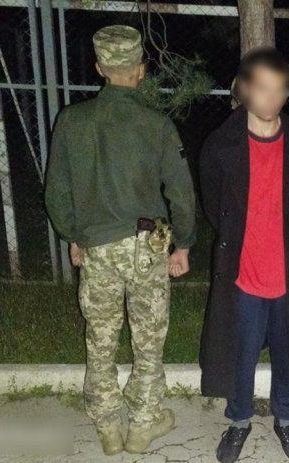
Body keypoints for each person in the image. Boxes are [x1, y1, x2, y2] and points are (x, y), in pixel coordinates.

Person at [44, 25, 197, 456]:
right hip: (147, 247)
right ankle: (143, 425)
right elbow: (181, 192)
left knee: (101, 337)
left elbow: (56, 192)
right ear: (141, 70)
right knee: (148, 338)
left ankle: (108, 426)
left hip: (96, 246)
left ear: (99, 68)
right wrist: (184, 243)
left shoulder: (72, 121)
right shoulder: (156, 124)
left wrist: (74, 235)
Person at [197, 47, 289, 463]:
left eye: (281, 89)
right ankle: (239, 421)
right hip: (244, 274)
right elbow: (214, 206)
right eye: (264, 88)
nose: (273, 99)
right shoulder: (221, 143)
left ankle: (286, 418)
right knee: (240, 353)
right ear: (245, 87)